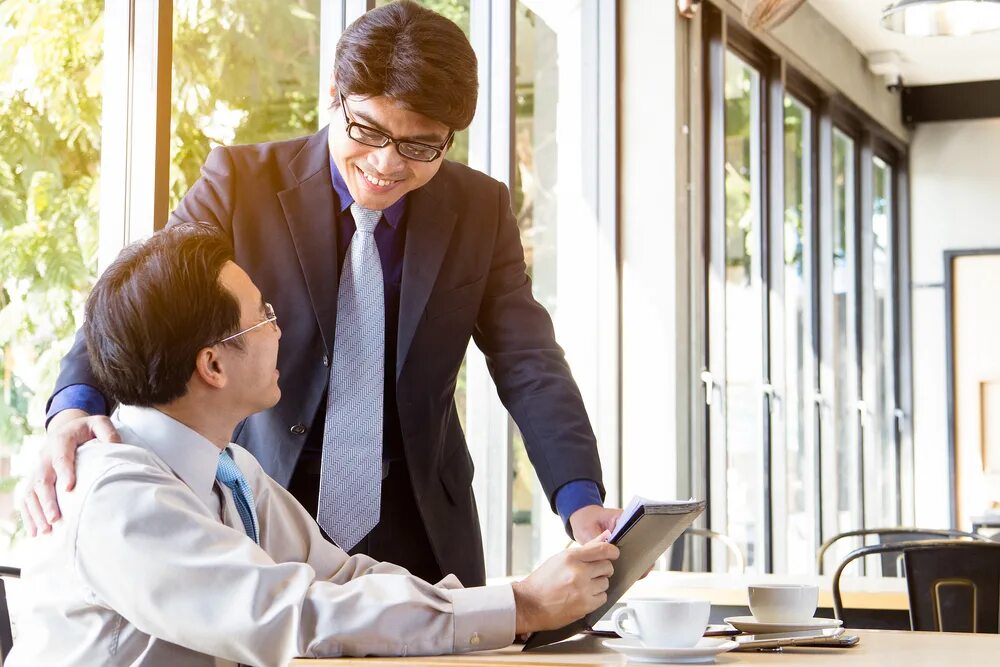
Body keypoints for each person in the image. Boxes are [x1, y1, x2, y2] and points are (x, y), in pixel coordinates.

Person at [22, 0, 620, 586]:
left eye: (420, 146)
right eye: (368, 130)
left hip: (422, 525)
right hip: (262, 506)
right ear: (335, 94)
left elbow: (528, 360)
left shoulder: (479, 209)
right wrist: (75, 404)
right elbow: (144, 298)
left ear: (449, 138)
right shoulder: (240, 185)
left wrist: (578, 495)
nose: (387, 164)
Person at [7, 224, 618, 667]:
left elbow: (345, 577)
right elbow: (295, 616)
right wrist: (521, 607)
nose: (281, 329)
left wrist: (515, 603)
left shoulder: (231, 471)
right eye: (263, 316)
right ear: (213, 364)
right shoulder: (123, 498)